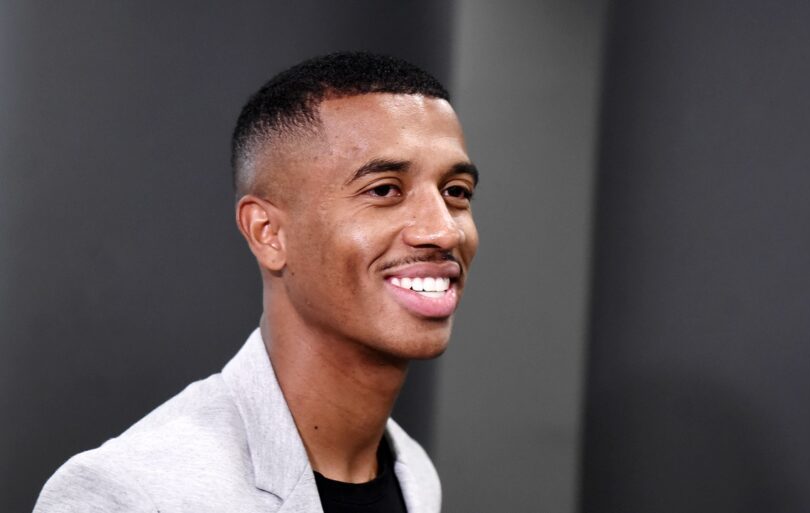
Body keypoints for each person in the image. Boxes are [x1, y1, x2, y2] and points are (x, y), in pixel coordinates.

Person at [33, 51, 478, 513]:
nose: (443, 230)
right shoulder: (126, 493)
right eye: (383, 190)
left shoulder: (415, 474)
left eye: (456, 192)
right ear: (267, 233)